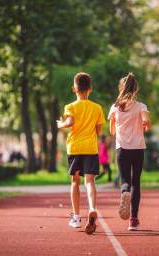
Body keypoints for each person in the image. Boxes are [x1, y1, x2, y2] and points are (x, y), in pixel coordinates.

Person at [57, 72, 105, 235]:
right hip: (91, 149)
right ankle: (92, 208)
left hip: (75, 148)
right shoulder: (97, 107)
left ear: (74, 88)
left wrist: (60, 124)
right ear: (90, 89)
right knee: (90, 181)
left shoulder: (70, 107)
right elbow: (98, 130)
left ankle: (76, 218)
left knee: (75, 182)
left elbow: (70, 122)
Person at [108, 72, 151, 231]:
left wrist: (118, 125)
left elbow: (112, 131)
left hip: (122, 149)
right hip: (138, 149)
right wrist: (144, 125)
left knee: (125, 180)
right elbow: (146, 122)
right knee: (136, 182)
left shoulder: (114, 107)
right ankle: (133, 220)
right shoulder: (141, 106)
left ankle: (124, 191)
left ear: (121, 88)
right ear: (136, 89)